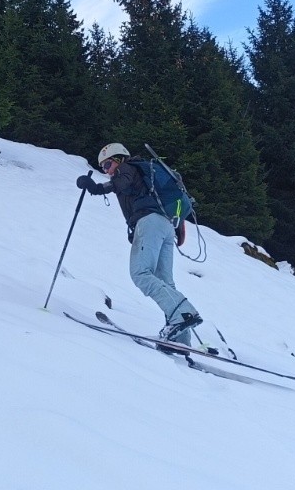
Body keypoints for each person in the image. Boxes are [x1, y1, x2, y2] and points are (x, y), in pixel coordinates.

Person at [77, 143, 202, 347]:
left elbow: (122, 183)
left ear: (118, 159)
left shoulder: (127, 167)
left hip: (149, 222)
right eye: (103, 168)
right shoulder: (141, 173)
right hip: (165, 226)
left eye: (107, 165)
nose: (106, 171)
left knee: (140, 273)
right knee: (164, 280)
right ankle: (181, 339)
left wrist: (98, 188)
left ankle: (184, 314)